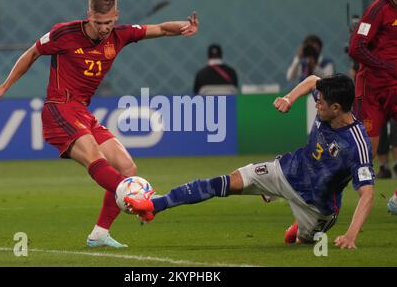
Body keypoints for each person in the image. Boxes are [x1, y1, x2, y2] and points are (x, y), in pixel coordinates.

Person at [0, 0, 199, 248]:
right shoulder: (65, 33)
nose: (104, 28)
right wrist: (4, 86)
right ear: (89, 16)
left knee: (126, 167)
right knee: (96, 157)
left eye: (108, 22)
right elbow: (32, 53)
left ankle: (99, 234)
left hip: (82, 110)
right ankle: (135, 197)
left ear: (116, 16)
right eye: (98, 22)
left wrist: (183, 26)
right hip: (59, 107)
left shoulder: (120, 35)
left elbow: (161, 29)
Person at [126, 74, 375, 249]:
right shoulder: (327, 100)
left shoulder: (357, 144)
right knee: (226, 182)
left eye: (320, 102)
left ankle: (299, 229)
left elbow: (367, 194)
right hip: (286, 171)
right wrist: (289, 98)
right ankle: (154, 206)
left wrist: (351, 235)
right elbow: (312, 80)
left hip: (315, 207)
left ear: (336, 107)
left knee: (298, 243)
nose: (316, 102)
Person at [348, 0, 397, 158]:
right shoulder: (377, 10)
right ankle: (334, 185)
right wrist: (388, 67)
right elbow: (356, 48)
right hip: (372, 90)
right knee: (367, 154)